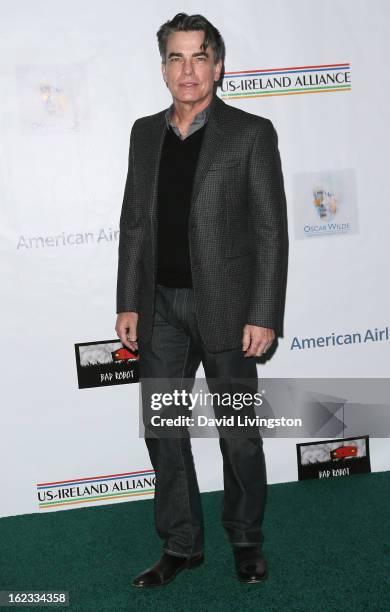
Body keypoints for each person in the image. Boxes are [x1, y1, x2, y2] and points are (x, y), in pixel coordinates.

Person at [115, 12, 289, 587]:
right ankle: (183, 543)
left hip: (229, 310)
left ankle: (245, 538)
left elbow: (270, 229)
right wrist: (129, 301)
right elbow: (135, 224)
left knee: (238, 434)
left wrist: (264, 312)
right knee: (163, 429)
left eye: (199, 57)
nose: (187, 70)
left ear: (218, 65)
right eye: (175, 57)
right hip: (159, 306)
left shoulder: (250, 132)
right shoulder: (144, 132)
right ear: (163, 66)